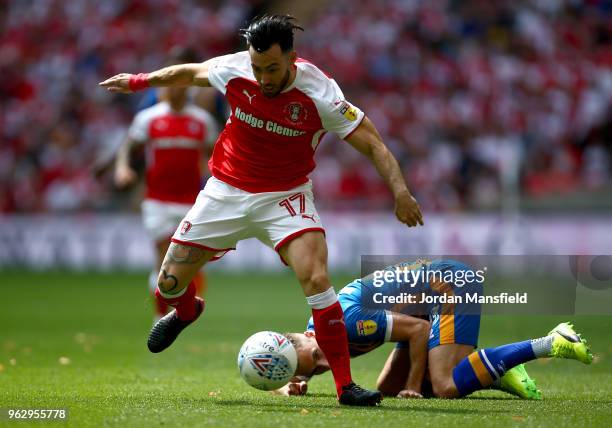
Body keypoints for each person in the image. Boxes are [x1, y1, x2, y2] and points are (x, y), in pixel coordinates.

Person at [99, 15, 424, 406]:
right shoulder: (236, 69)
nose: (264, 78)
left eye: (272, 69)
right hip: (225, 191)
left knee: (317, 278)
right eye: (258, 68)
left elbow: (372, 142)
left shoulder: (322, 93)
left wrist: (401, 192)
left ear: (292, 58)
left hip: (285, 197)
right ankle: (186, 313)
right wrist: (138, 81)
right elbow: (189, 72)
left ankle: (345, 386)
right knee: (168, 285)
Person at [276, 259, 592, 399]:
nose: (324, 365)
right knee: (385, 389)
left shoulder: (345, 322)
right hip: (424, 307)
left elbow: (417, 331)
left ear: (308, 336)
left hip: (449, 284)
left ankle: (551, 341)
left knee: (444, 387)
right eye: (314, 369)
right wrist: (288, 384)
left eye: (318, 357)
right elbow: (298, 367)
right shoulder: (317, 340)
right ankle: (490, 369)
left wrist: (413, 386)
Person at [114, 57, 218, 322]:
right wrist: (123, 168)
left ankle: (183, 308)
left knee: (189, 263)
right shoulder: (149, 119)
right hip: (158, 200)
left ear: (188, 89)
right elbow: (128, 146)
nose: (173, 90)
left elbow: (214, 155)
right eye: (169, 86)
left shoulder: (202, 122)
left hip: (192, 201)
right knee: (163, 259)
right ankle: (162, 318)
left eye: (179, 86)